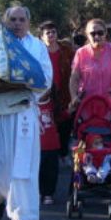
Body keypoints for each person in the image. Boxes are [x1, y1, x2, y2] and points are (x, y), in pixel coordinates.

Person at [0, 6, 53, 220]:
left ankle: (21, 217)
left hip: (22, 112)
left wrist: (19, 85)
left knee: (23, 167)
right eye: (13, 19)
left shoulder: (37, 47)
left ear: (29, 22)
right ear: (6, 21)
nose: (17, 23)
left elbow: (46, 79)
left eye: (22, 19)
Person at [69, 18, 111, 128]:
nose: (97, 36)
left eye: (100, 33)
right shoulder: (81, 53)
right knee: (89, 141)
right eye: (93, 33)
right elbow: (74, 77)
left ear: (105, 33)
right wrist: (73, 96)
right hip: (88, 107)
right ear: (87, 35)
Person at [39, 21, 75, 165]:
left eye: (53, 32)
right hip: (46, 94)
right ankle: (51, 155)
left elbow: (75, 67)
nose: (51, 35)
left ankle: (64, 153)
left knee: (66, 123)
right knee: (50, 124)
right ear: (41, 36)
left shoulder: (66, 50)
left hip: (65, 91)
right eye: (47, 33)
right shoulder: (39, 52)